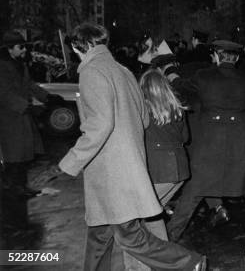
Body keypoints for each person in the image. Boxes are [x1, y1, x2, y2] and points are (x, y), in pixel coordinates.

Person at [54, 23, 205, 271]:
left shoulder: (92, 71)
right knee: (99, 235)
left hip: (110, 171)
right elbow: (144, 118)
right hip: (127, 164)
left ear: (75, 46)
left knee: (129, 236)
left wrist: (71, 161)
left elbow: (100, 124)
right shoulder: (123, 70)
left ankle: (188, 263)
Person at [166, 40, 245, 245]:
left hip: (211, 140)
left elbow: (180, 86)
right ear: (237, 58)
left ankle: (172, 234)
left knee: (195, 188)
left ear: (216, 56)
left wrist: (170, 70)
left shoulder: (204, 76)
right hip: (242, 138)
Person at [123, 68, 193, 271]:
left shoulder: (142, 109)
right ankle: (166, 262)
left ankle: (142, 266)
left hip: (159, 171)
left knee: (132, 219)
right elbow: (186, 138)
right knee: (152, 215)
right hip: (179, 170)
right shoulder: (177, 108)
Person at [0, 31, 64, 197]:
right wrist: (26, 107)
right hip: (9, 117)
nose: (24, 50)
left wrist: (47, 97)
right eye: (20, 47)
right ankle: (11, 188)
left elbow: (30, 85)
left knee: (23, 153)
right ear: (9, 49)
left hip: (20, 115)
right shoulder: (2, 66)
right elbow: (4, 93)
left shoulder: (19, 64)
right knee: (13, 154)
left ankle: (20, 186)